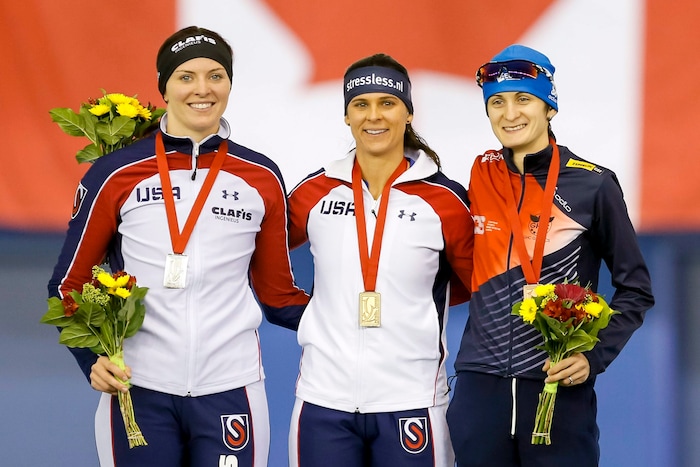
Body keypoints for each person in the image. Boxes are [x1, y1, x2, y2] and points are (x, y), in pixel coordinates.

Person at [47, 25, 309, 467]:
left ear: (229, 83)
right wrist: (90, 358)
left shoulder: (260, 177)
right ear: (163, 86)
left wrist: (360, 323)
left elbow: (278, 296)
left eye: (215, 76)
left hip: (233, 388)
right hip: (138, 389)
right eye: (186, 76)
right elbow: (67, 284)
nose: (202, 89)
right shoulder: (116, 174)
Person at [446, 44, 655, 466]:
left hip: (556, 386)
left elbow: (637, 289)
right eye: (497, 102)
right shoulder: (480, 173)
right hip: (479, 389)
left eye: (524, 99)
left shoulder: (593, 186)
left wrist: (592, 357)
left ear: (549, 108)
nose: (509, 114)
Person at [286, 53, 474, 467]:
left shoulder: (445, 200)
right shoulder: (315, 191)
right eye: (361, 104)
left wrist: (416, 311)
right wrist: (305, 314)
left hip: (413, 399)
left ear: (408, 112)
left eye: (387, 103)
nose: (375, 116)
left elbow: (475, 284)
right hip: (323, 400)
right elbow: (260, 253)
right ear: (347, 116)